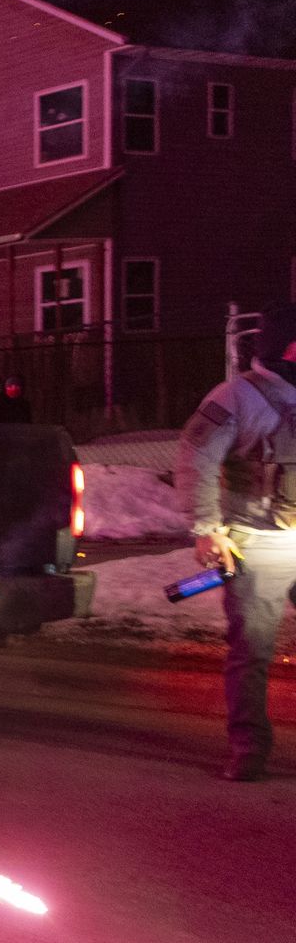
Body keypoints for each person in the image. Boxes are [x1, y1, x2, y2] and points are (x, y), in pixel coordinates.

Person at [176, 302, 296, 781]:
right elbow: (196, 460)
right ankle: (250, 747)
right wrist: (206, 530)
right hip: (256, 543)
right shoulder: (236, 396)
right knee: (253, 650)